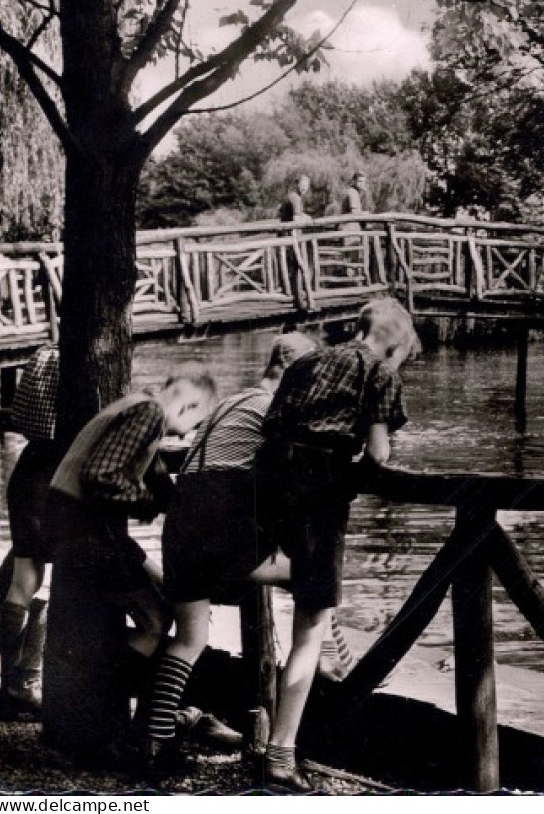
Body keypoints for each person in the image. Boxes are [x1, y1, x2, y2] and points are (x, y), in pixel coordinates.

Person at [252, 298, 418, 792]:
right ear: (394, 342)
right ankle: (281, 753)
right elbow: (379, 453)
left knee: (294, 586)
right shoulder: (378, 371)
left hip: (269, 480)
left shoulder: (305, 359)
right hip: (317, 491)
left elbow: (271, 423)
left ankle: (328, 658)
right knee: (312, 619)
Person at [140, 334, 320, 776]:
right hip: (219, 526)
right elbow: (293, 467)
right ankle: (326, 668)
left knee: (190, 639)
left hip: (183, 519)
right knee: (314, 578)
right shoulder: (279, 408)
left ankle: (153, 740)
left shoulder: (232, 402)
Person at [43, 367, 216, 738]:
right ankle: (111, 717)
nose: (186, 434)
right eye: (193, 423)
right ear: (188, 405)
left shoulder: (138, 404)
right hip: (83, 529)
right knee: (156, 620)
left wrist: (178, 502)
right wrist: (148, 502)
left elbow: (155, 480)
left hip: (81, 525)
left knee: (166, 592)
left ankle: (128, 714)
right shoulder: (149, 414)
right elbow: (100, 476)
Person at [0, 344, 61, 720]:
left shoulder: (44, 355)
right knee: (40, 585)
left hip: (29, 468)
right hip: (53, 474)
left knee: (23, 579)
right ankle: (22, 683)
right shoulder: (76, 363)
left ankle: (4, 682)